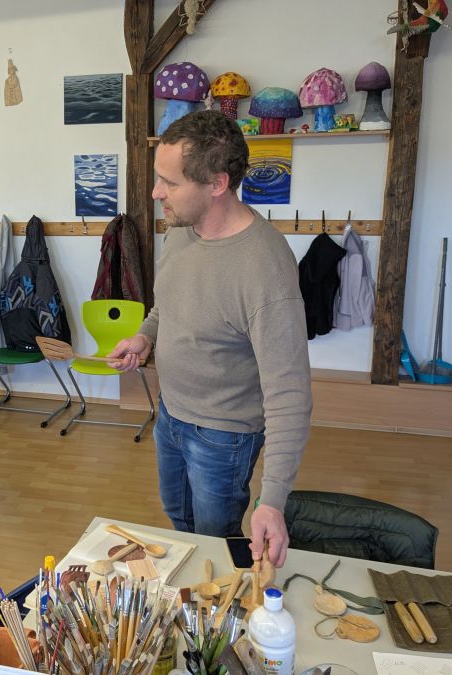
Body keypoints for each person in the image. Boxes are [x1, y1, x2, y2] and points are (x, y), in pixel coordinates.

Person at [108, 110, 312, 567]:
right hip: (170, 414)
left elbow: (289, 393)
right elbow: (169, 304)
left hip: (224, 436)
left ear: (217, 184)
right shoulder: (182, 230)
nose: (156, 192)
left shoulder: (265, 269)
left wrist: (272, 500)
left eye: (170, 182)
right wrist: (145, 337)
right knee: (179, 523)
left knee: (215, 545)